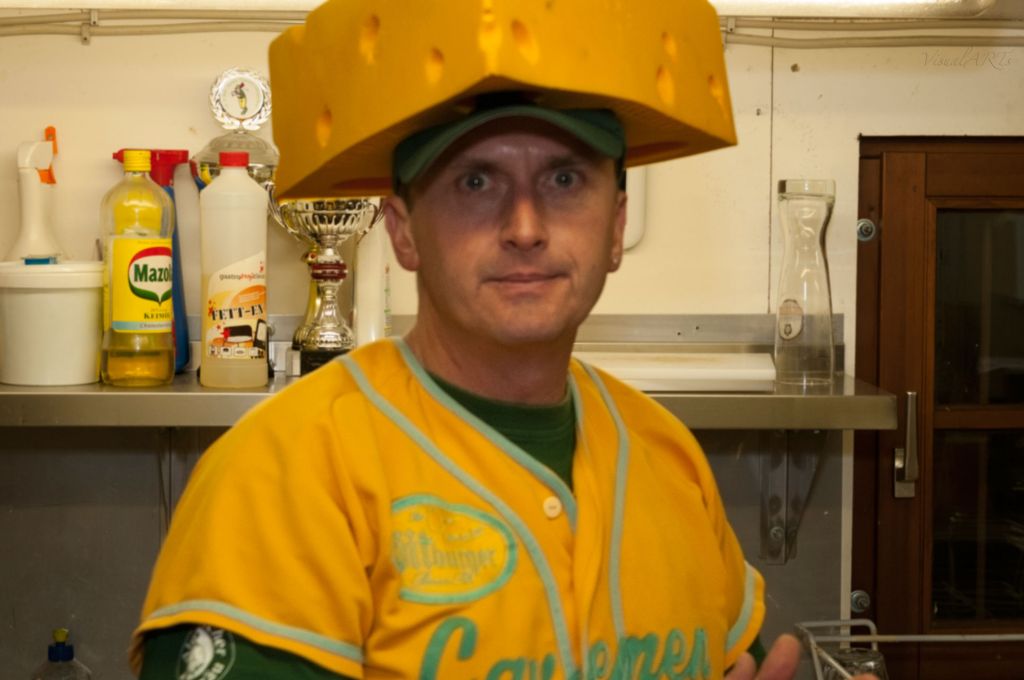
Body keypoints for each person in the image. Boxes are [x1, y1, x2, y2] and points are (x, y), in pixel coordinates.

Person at [131, 2, 876, 679]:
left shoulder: (668, 458)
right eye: (475, 183)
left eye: (564, 180)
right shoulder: (279, 477)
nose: (525, 227)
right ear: (403, 232)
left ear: (616, 227)